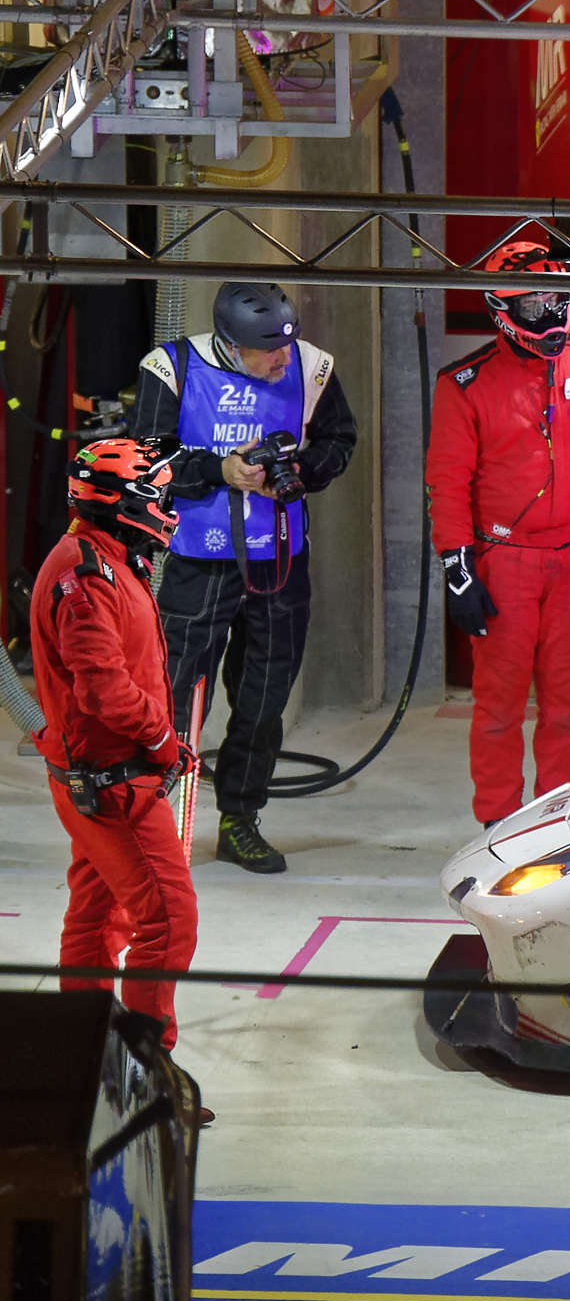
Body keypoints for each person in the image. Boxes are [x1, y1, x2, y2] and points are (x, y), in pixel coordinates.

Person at [133, 281, 358, 875]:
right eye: (269, 352)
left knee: (263, 700)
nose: (284, 359)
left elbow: (340, 439)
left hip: (280, 562)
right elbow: (147, 457)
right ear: (231, 346)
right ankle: (155, 823)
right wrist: (219, 469)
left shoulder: (310, 366)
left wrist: (303, 470)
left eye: (288, 346)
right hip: (198, 562)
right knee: (175, 696)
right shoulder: (172, 366)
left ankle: (240, 819)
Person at [429, 243, 570, 825]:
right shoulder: (463, 382)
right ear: (499, 308)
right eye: (533, 301)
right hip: (502, 563)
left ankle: (561, 826)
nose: (550, 312)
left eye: (558, 298)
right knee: (499, 709)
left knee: (568, 708)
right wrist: (457, 573)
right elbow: (448, 483)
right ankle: (498, 826)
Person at [33, 439, 197, 1056]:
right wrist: (162, 741)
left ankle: (79, 1060)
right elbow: (105, 690)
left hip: (101, 775)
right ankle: (147, 1066)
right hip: (113, 782)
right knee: (169, 920)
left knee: (98, 917)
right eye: (156, 493)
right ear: (122, 502)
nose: (167, 506)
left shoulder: (107, 558)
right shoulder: (85, 577)